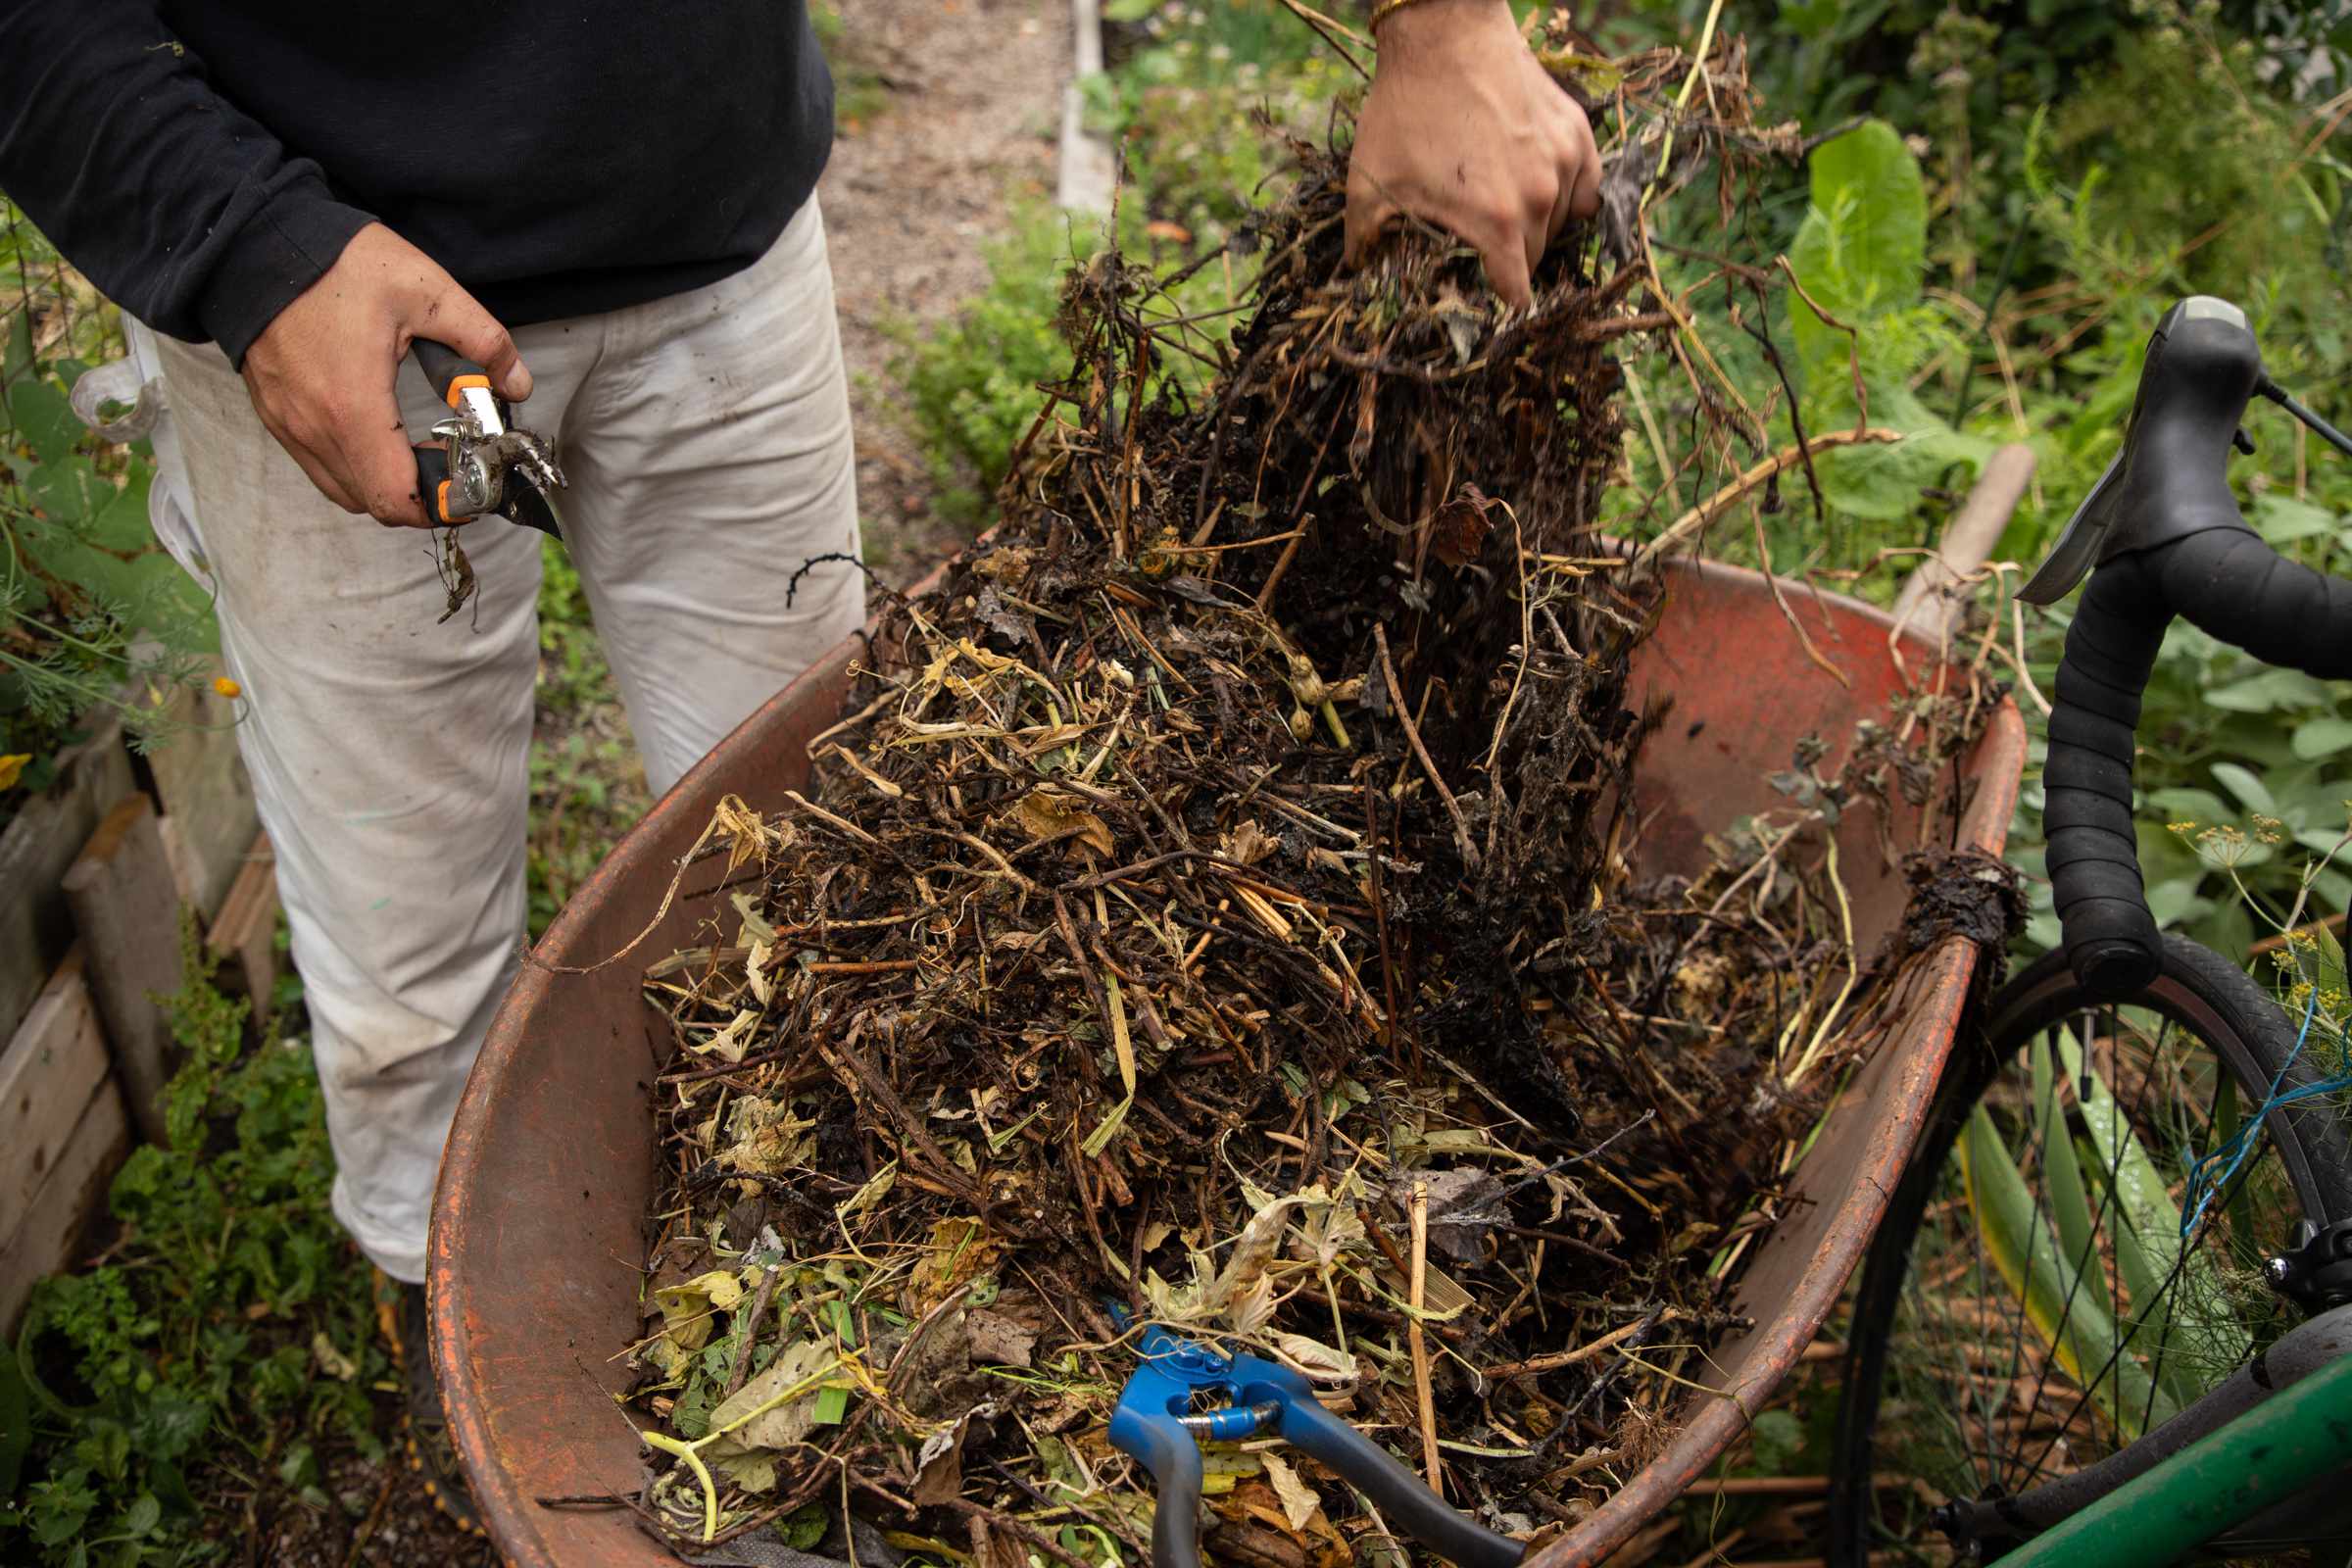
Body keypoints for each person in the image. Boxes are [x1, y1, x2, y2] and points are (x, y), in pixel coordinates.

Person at [0, 0, 1600, 1529]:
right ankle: (462, 1338)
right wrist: (245, 245)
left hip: (713, 236)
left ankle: (847, 1311)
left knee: (852, 880)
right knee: (403, 943)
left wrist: (1443, 27)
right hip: (320, 286)